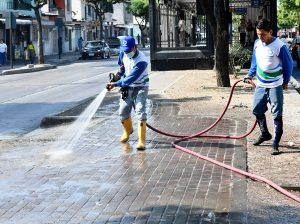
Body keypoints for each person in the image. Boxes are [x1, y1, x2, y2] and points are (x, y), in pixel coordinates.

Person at [243, 19, 293, 155]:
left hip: (275, 85)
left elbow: (289, 65)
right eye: (258, 34)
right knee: (257, 110)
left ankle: (275, 144)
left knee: (277, 114)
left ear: (270, 32)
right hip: (261, 84)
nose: (260, 37)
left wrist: (286, 81)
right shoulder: (257, 44)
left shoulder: (279, 46)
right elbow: (255, 60)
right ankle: (265, 133)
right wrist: (250, 74)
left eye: (263, 34)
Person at [106, 36, 149, 150]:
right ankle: (128, 131)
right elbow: (122, 68)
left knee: (140, 110)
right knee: (123, 111)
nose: (126, 52)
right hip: (127, 87)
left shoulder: (142, 60)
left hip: (141, 86)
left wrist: (116, 84)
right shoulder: (123, 52)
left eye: (128, 50)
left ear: (135, 47)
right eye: (125, 50)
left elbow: (131, 78)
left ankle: (141, 141)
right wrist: (116, 77)